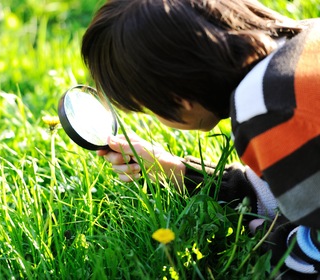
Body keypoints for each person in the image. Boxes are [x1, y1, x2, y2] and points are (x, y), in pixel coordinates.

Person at [80, 0, 320, 277]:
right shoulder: (306, 41)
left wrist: (271, 243)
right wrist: (178, 172)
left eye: (150, 108)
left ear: (179, 99)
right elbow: (291, 187)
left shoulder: (267, 109)